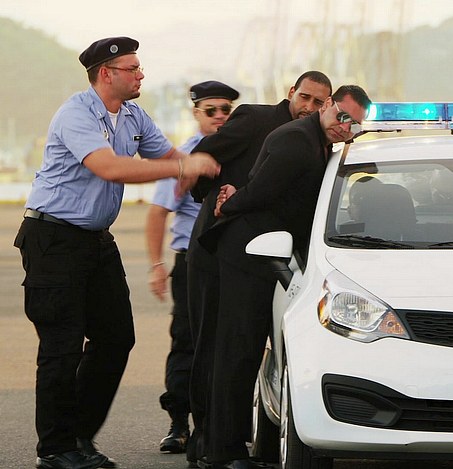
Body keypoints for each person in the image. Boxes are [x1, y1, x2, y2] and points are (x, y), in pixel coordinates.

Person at [13, 36, 220, 469]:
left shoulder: (132, 115)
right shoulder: (77, 113)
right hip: (53, 239)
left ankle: (78, 437)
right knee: (62, 347)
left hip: (95, 241)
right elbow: (110, 167)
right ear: (106, 74)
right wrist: (181, 167)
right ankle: (56, 449)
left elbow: (170, 155)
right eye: (133, 68)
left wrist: (204, 172)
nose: (141, 74)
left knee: (116, 337)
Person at [199, 85, 372, 469]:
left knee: (249, 353)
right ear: (328, 105)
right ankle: (223, 453)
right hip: (249, 255)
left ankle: (240, 447)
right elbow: (260, 193)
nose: (345, 127)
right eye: (342, 116)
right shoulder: (297, 140)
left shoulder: (318, 141)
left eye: (354, 125)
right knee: (237, 353)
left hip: (267, 253)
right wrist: (228, 204)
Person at [185, 71, 332, 467]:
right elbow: (205, 154)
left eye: (319, 102)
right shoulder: (256, 118)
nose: (309, 107)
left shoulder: (320, 142)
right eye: (305, 97)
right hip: (218, 249)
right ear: (291, 93)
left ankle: (219, 442)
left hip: (268, 256)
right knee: (214, 347)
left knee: (242, 349)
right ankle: (206, 441)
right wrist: (218, 201)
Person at [145, 80, 239, 456]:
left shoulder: (243, 150)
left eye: (226, 109)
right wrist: (156, 265)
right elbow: (157, 213)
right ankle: (178, 423)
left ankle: (220, 425)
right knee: (186, 342)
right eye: (210, 110)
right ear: (196, 113)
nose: (219, 116)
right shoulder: (184, 156)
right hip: (190, 262)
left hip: (232, 263)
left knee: (229, 343)